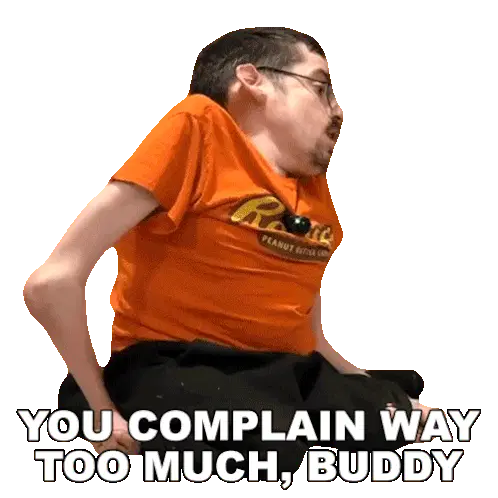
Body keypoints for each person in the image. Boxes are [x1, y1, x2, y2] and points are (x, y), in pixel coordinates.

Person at [23, 27, 430, 477]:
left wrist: (363, 384)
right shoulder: (200, 127)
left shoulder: (314, 190)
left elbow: (301, 320)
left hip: (282, 370)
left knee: (404, 417)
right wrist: (103, 414)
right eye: (320, 87)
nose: (339, 110)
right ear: (253, 80)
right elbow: (51, 283)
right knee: (272, 445)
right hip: (179, 363)